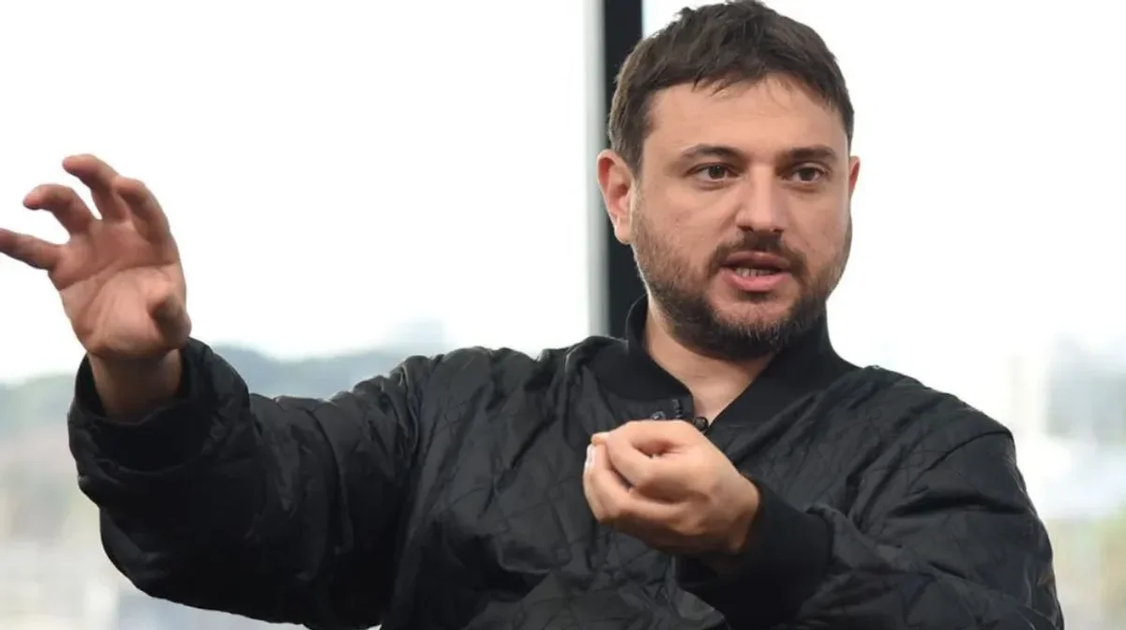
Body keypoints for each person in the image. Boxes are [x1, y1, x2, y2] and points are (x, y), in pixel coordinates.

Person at [0, 1, 1063, 629]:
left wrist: (758, 539)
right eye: (713, 170)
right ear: (621, 194)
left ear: (849, 188)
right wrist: (144, 380)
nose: (763, 213)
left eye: (804, 173)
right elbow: (235, 522)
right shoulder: (456, 416)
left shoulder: (938, 457)